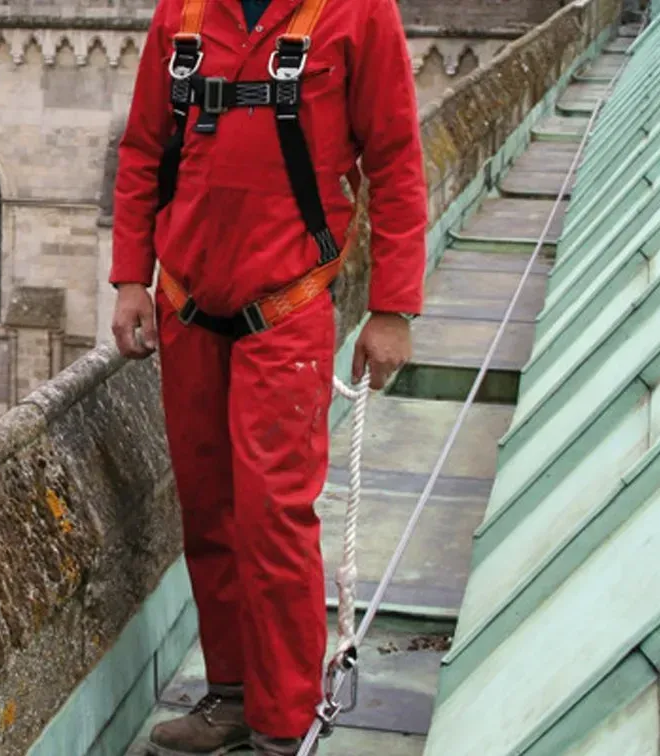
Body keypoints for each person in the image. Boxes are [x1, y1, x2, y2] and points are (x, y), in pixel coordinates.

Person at [109, 0, 427, 750]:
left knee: (272, 517)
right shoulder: (182, 15)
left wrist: (393, 308)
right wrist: (131, 276)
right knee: (208, 508)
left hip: (284, 310)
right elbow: (145, 150)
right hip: (187, 307)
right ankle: (229, 696)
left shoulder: (356, 15)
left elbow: (395, 160)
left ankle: (281, 726)